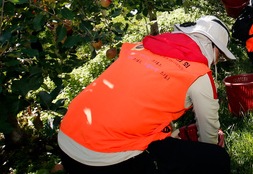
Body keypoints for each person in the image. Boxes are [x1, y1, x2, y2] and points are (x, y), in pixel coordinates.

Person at [57, 16, 234, 174]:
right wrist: (206, 153)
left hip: (66, 140)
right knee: (216, 158)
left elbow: (148, 101)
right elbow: (209, 130)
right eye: (220, 56)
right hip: (105, 160)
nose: (217, 61)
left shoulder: (142, 47)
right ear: (214, 48)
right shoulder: (199, 73)